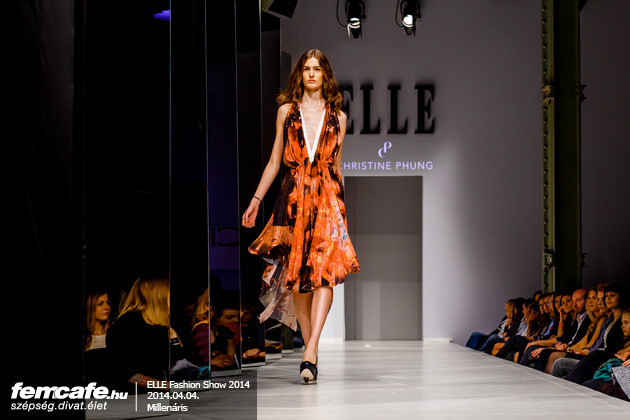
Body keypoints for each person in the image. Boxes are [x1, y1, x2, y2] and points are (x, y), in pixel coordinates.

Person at [242, 49, 360, 383]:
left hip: (327, 201)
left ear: (325, 75)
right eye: (306, 69)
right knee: (297, 278)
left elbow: (336, 167)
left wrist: (341, 214)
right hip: (293, 200)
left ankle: (310, 351)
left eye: (316, 69)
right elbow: (274, 161)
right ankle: (311, 350)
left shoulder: (339, 118)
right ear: (300, 74)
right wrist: (256, 200)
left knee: (325, 276)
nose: (311, 74)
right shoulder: (286, 112)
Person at [106, 277, 184, 392]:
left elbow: (178, 362)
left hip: (162, 393)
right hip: (136, 396)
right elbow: (122, 370)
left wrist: (174, 339)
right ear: (158, 297)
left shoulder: (162, 326)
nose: (171, 302)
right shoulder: (124, 326)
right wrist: (162, 385)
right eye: (168, 296)